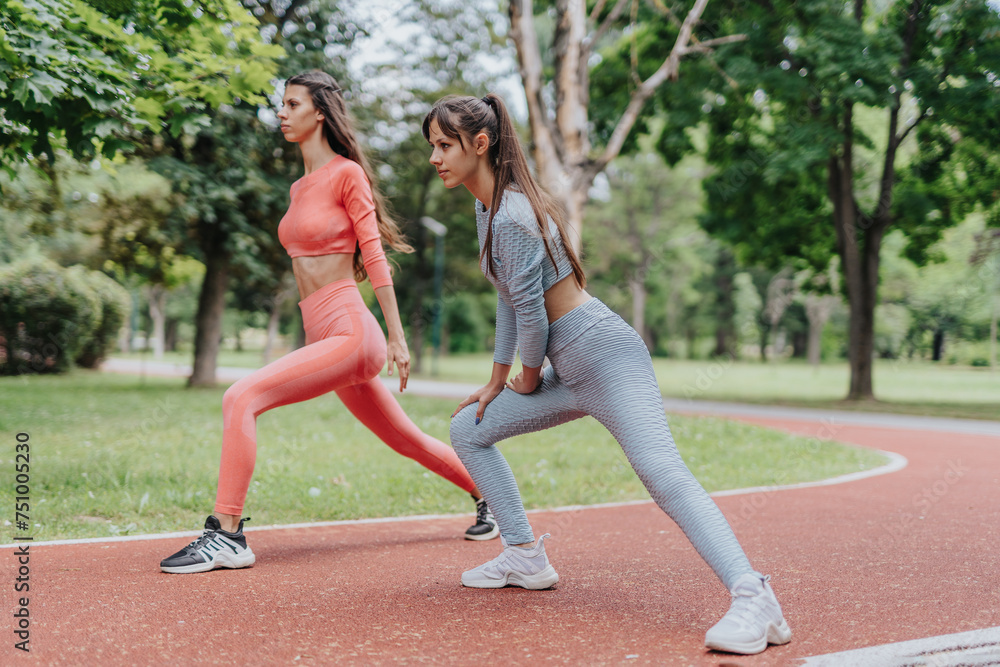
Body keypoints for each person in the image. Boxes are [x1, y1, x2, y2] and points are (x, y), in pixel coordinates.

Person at [421, 93, 793, 656]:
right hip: (566, 367)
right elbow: (509, 298)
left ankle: (755, 596)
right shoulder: (487, 210)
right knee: (469, 429)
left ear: (481, 143)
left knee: (662, 474)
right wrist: (497, 382)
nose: (435, 157)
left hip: (605, 356)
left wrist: (524, 374)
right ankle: (523, 556)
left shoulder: (515, 216)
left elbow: (528, 314)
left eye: (444, 145)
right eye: (432, 145)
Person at [159, 71, 498, 575]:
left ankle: (227, 535)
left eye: (292, 103)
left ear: (319, 112)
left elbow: (374, 253)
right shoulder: (299, 187)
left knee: (241, 397)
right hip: (322, 330)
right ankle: (490, 496)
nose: (281, 112)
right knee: (403, 438)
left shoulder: (347, 174)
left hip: (351, 331)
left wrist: (397, 338)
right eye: (281, 104)